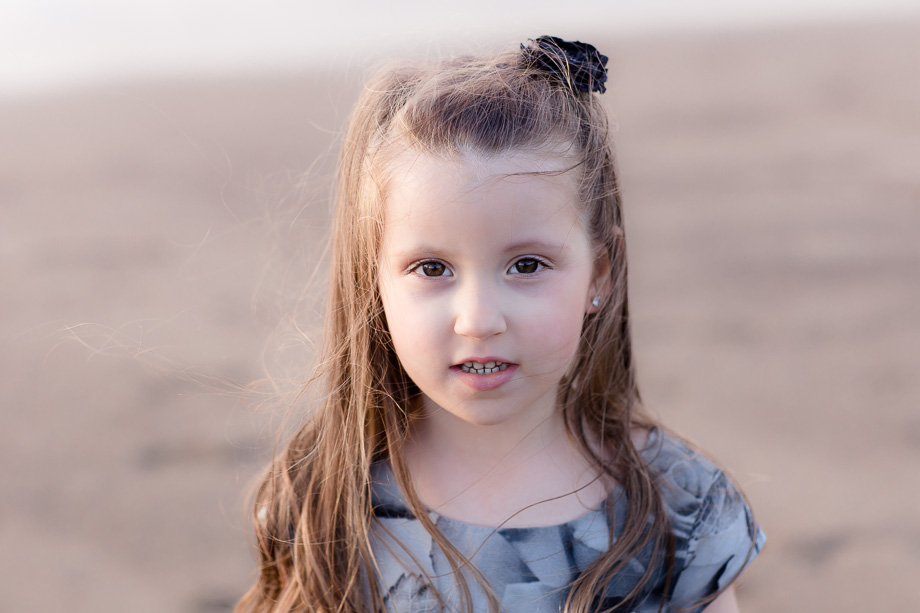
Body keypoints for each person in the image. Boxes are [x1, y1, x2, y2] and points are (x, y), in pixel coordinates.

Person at [235, 36, 765, 613]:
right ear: (375, 282)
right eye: (432, 268)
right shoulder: (326, 500)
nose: (479, 319)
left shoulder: (680, 508)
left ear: (598, 276)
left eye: (527, 265)